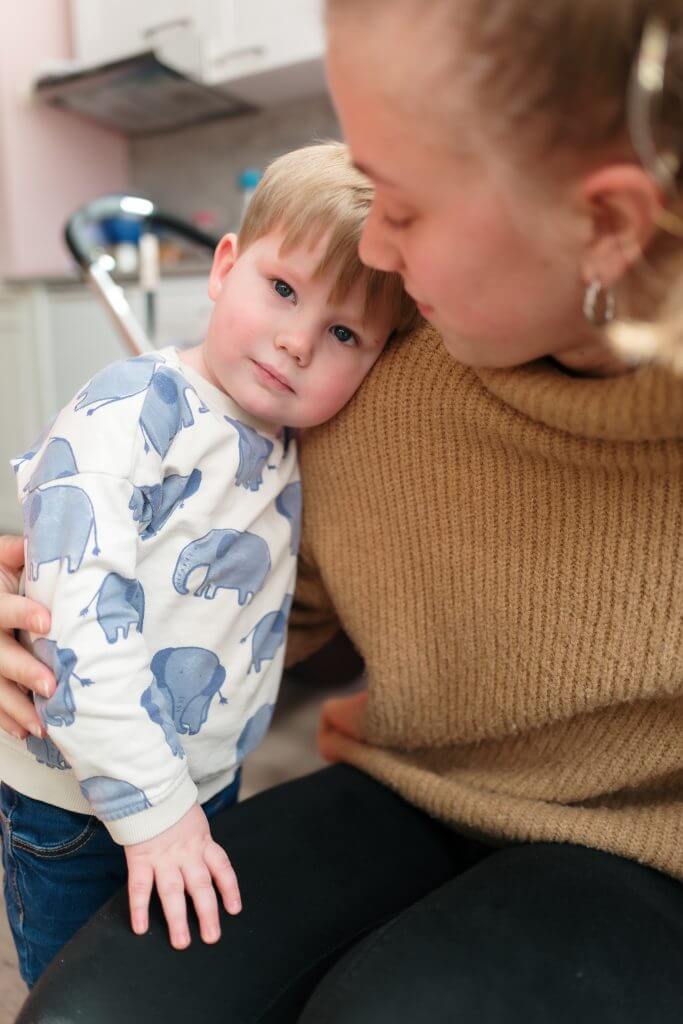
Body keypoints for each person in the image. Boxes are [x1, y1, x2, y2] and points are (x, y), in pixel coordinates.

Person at [1, 0, 683, 1021]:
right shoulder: (369, 389)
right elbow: (285, 615)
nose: (372, 254)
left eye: (400, 205)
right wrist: (31, 591)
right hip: (400, 781)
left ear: (604, 226)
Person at [0, 141, 415, 990]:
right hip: (81, 797)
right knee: (82, 988)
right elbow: (74, 633)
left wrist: (185, 807)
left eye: (342, 332)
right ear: (225, 266)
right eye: (283, 290)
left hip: (200, 783)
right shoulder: (129, 415)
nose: (298, 342)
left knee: (177, 983)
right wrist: (156, 816)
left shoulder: (283, 439)